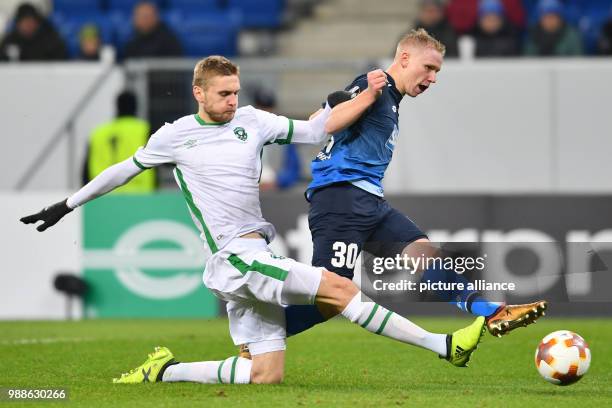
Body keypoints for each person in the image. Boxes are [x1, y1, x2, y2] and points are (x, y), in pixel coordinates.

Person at [21, 55, 486, 385]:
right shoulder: (175, 136)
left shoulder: (252, 121)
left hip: (254, 254)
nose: (230, 100)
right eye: (222, 94)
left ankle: (165, 370)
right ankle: (444, 346)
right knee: (340, 288)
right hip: (233, 256)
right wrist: (68, 204)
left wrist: (361, 96)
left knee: (265, 374)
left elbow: (314, 130)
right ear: (198, 92)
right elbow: (125, 169)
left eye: (236, 92)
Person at [282, 29, 547, 342]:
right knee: (330, 299)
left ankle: (489, 311)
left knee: (424, 253)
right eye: (429, 68)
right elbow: (324, 123)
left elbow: (319, 118)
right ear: (405, 59)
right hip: (340, 199)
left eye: (437, 71)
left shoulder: (390, 97)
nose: (433, 78)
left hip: (369, 201)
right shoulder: (374, 83)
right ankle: (263, 332)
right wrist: (365, 94)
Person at [82, 91, 155, 192]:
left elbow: (85, 171)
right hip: (139, 196)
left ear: (117, 106)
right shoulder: (145, 129)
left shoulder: (97, 133)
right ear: (136, 107)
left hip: (102, 197)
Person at [0, 3, 67, 61]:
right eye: (25, 22)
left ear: (37, 23)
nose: (28, 25)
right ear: (18, 24)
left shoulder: (51, 40)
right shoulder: (10, 41)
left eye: (31, 21)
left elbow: (62, 63)